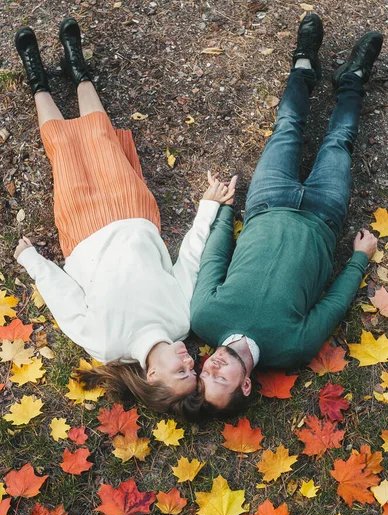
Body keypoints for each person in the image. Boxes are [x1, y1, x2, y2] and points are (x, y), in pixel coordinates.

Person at [13, 19, 237, 416]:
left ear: (152, 376)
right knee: (100, 138)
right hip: (132, 211)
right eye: (194, 369)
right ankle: (77, 69)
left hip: (83, 230)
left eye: (181, 372)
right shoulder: (180, 321)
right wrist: (207, 206)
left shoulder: (105, 343)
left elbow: (65, 300)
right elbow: (190, 259)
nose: (191, 361)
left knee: (64, 151)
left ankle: (37, 80)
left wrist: (33, 261)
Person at [190, 14, 383, 416]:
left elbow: (215, 259)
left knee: (288, 126)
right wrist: (360, 258)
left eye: (204, 373)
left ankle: (303, 63)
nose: (212, 366)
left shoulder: (205, 319)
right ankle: (353, 79)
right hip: (323, 218)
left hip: (265, 203)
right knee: (339, 142)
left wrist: (225, 211)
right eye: (220, 379)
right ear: (245, 385)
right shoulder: (292, 349)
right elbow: (333, 305)